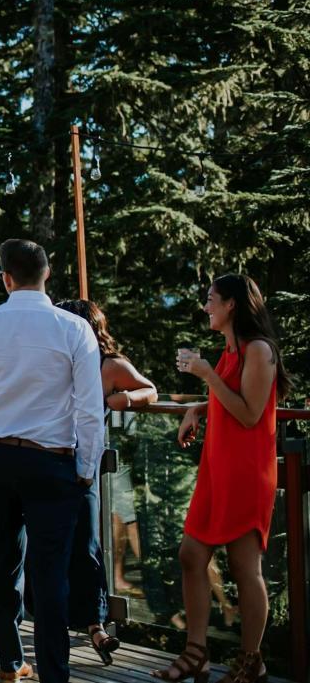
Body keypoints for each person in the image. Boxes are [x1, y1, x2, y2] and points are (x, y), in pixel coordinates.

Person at [0, 239, 102, 683]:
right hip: (52, 461)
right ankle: (55, 673)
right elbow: (90, 409)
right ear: (47, 274)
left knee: (3, 559)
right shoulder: (74, 329)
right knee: (50, 572)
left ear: (6, 278)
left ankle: (10, 662)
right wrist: (86, 470)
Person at [153, 274, 290, 683]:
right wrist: (197, 407)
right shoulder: (230, 350)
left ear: (231, 305)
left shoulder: (259, 350)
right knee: (191, 555)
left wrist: (207, 376)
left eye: (211, 299)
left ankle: (252, 661)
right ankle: (196, 652)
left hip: (248, 472)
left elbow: (250, 414)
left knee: (244, 566)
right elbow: (228, 397)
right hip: (218, 468)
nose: (206, 306)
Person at [54, 299, 158, 664]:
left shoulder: (108, 365)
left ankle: (95, 624)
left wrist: (125, 399)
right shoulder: (53, 360)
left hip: (83, 464)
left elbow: (150, 390)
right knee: (47, 543)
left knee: (86, 544)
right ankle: (52, 621)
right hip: (46, 459)